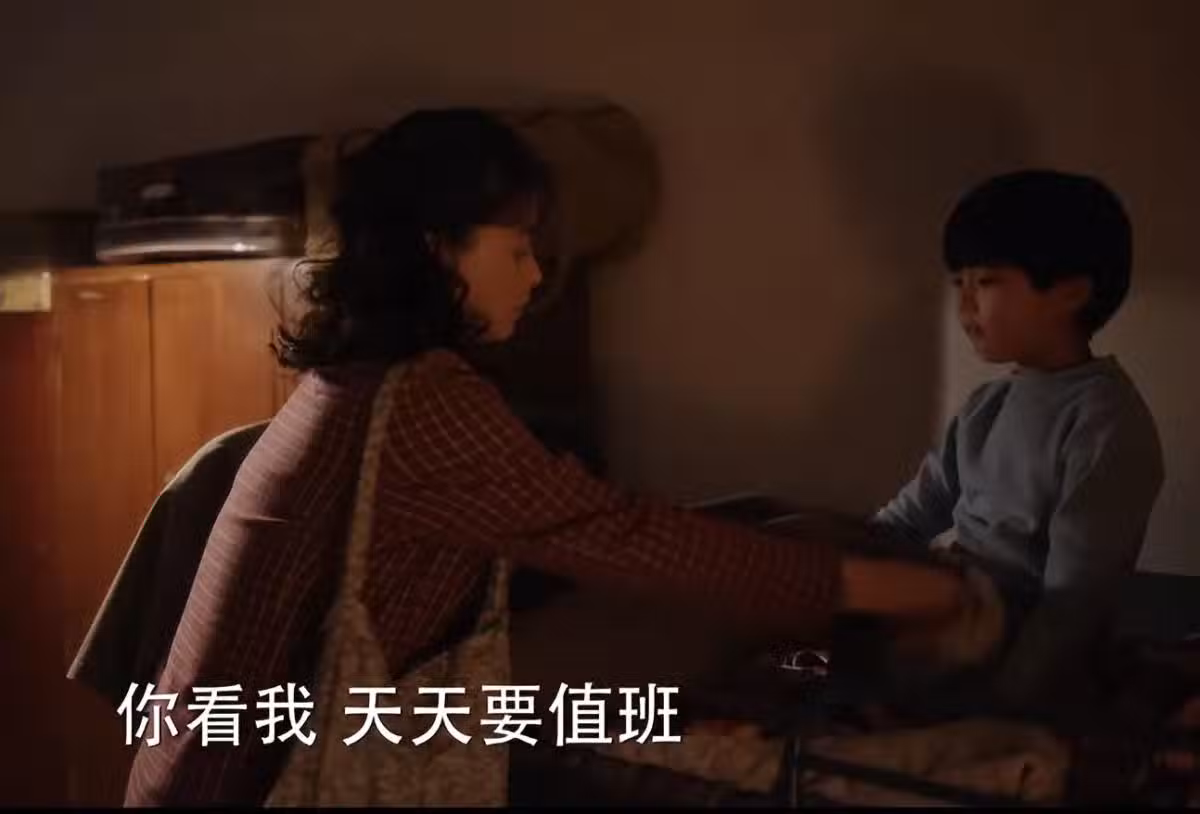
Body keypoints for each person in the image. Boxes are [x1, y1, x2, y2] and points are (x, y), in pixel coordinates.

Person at [124, 108, 974, 806]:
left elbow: (592, 525)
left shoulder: (361, 376)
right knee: (722, 589)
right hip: (271, 779)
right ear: (439, 248)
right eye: (518, 248)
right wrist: (882, 589)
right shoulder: (422, 400)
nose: (535, 276)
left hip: (219, 765)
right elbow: (632, 540)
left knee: (745, 539)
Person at [872, 169, 1165, 720]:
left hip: (1002, 626)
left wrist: (1008, 701)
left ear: (1071, 293)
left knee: (888, 597)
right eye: (958, 283)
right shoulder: (988, 404)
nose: (964, 307)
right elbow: (912, 514)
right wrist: (845, 551)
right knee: (811, 548)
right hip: (951, 594)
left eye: (985, 282)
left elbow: (1074, 597)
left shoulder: (1104, 422)